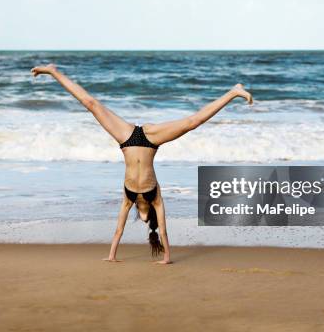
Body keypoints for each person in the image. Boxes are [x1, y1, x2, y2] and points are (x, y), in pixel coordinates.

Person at [31, 64, 253, 264]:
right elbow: (164, 232)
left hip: (127, 138)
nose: (143, 216)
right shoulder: (156, 200)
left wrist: (111, 256)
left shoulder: (128, 200)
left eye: (141, 216)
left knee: (92, 104)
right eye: (146, 219)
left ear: (138, 209)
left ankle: (52, 71)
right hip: (149, 139)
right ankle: (234, 91)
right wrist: (167, 258)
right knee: (191, 123)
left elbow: (119, 229)